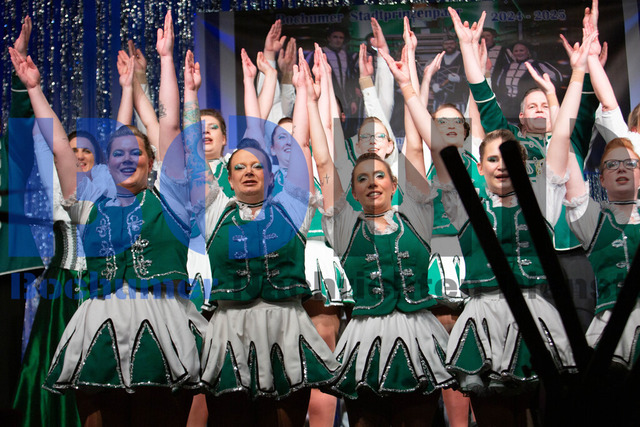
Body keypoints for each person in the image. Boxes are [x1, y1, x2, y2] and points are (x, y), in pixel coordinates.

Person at [11, 11, 207, 426]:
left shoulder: (170, 199)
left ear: (151, 161)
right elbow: (60, 148)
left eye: (136, 152)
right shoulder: (87, 204)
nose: (126, 158)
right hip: (100, 323)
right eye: (117, 153)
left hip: (162, 323)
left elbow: (170, 125)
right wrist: (35, 89)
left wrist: (166, 59)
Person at [312, 44, 453, 425]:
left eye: (379, 175)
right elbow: (324, 161)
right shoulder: (345, 226)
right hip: (363, 339)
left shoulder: (416, 217)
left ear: (394, 184)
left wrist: (408, 86)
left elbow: (417, 147)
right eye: (362, 179)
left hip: (419, 334)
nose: (372, 182)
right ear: (353, 192)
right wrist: (311, 97)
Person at [197, 50, 338, 426]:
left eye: (258, 166)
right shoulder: (215, 211)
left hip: (287, 327)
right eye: (240, 167)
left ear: (272, 176)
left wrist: (305, 94)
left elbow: (302, 149)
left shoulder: (291, 209)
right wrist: (190, 93)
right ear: (227, 178)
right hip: (229, 331)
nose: (249, 171)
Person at [493, 40, 562, 124]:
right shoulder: (507, 67)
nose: (518, 53)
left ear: (528, 52)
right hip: (508, 108)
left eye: (521, 50)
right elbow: (498, 84)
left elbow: (557, 77)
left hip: (527, 107)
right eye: (516, 51)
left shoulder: (537, 65)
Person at [431, 36, 468, 114]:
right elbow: (431, 76)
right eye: (446, 44)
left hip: (458, 99)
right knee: (438, 121)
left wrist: (460, 79)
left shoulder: (464, 58)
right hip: (440, 99)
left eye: (451, 43)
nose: (449, 46)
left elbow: (471, 78)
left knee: (460, 121)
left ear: (456, 44)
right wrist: (433, 85)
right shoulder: (438, 58)